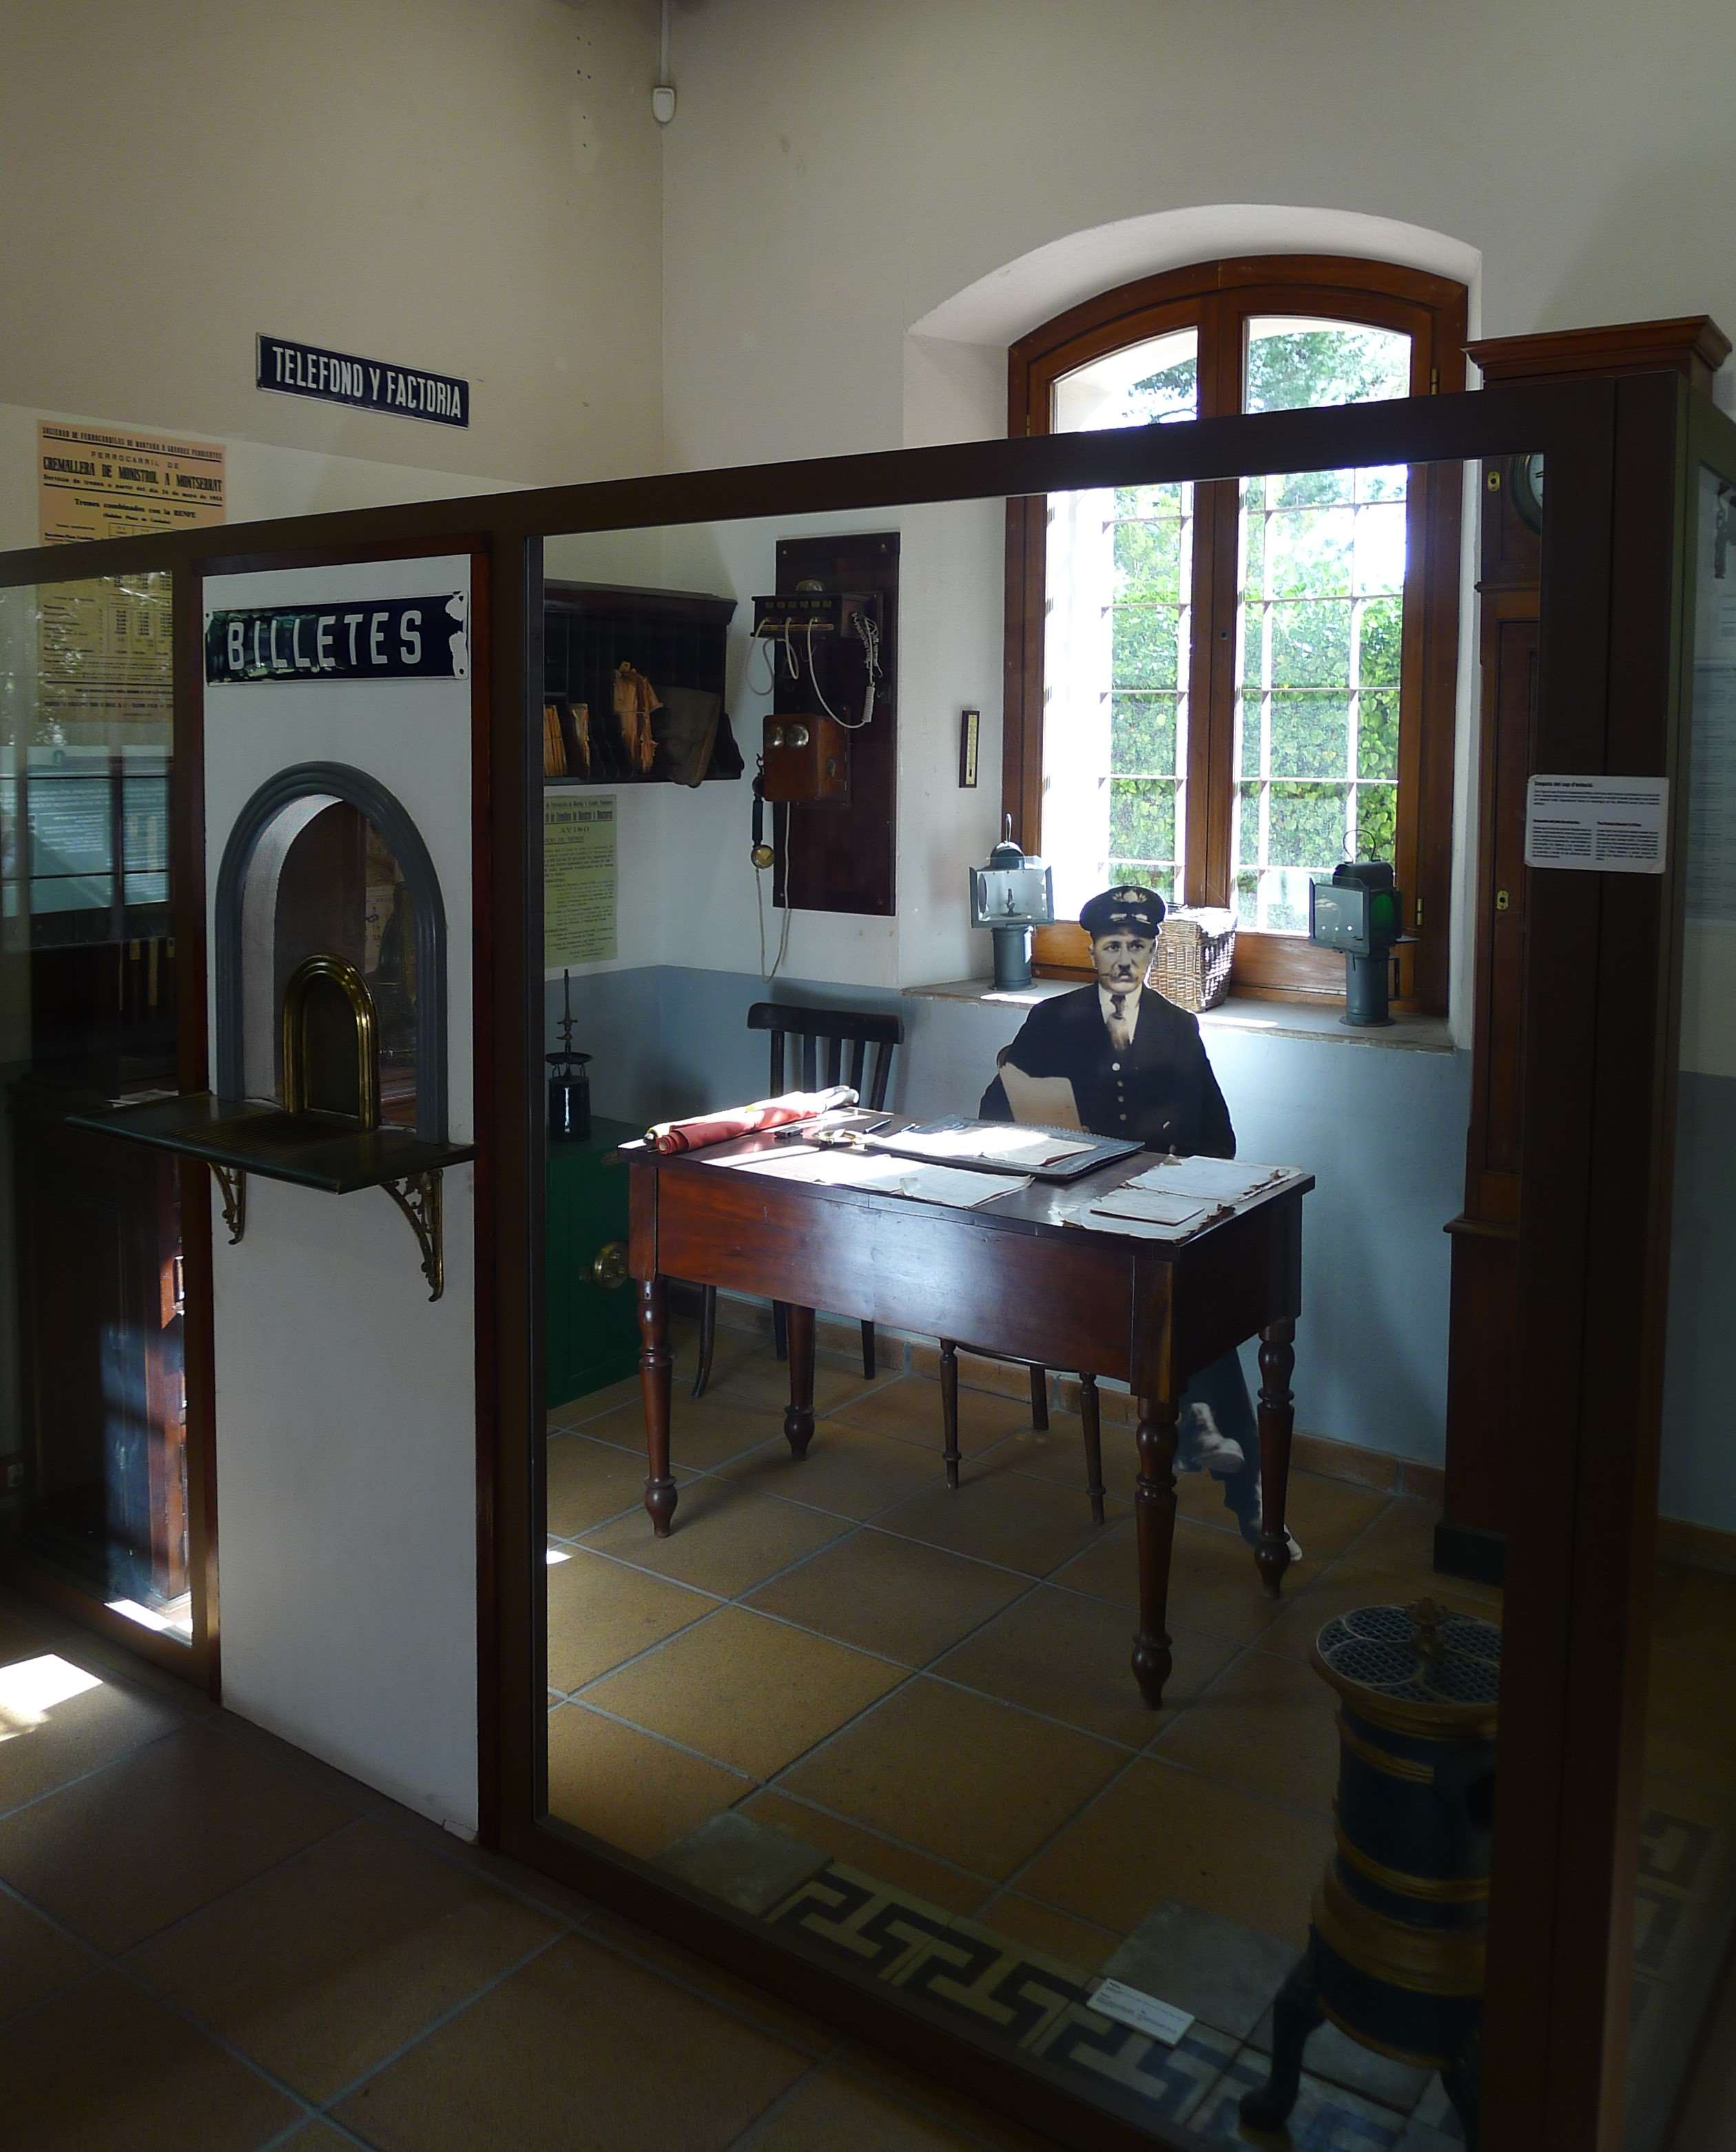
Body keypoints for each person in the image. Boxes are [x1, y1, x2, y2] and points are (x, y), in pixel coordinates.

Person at [979, 883, 1299, 1559]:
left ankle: (1237, 1484)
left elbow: (1221, 1137)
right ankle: (1217, 1462)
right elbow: (993, 1115)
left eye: (1138, 947)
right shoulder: (1053, 1020)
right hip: (1070, 1217)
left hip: (1154, 1211)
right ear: (1092, 952)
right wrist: (1021, 1094)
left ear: (1152, 953)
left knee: (1198, 1307)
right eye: (1112, 946)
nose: (1125, 960)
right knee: (1180, 1314)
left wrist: (1178, 1175)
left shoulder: (1178, 1028)